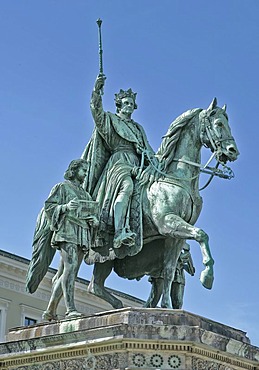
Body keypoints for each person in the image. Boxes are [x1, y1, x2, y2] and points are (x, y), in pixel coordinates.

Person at [82, 75, 159, 259]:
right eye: (126, 102)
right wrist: (97, 91)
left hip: (138, 165)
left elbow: (148, 149)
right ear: (118, 104)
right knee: (127, 187)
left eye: (132, 103)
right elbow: (96, 112)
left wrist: (156, 162)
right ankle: (119, 232)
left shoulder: (139, 128)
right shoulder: (110, 120)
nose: (129, 106)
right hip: (119, 164)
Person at [26, 159, 99, 320]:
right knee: (70, 267)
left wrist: (93, 220)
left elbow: (88, 212)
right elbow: (49, 207)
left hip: (82, 232)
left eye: (87, 172)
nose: (85, 174)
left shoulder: (85, 194)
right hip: (67, 231)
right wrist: (65, 207)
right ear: (74, 170)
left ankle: (50, 310)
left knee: (67, 271)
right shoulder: (62, 187)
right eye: (83, 171)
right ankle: (70, 308)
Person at [170, 243, 195, 309]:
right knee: (172, 298)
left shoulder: (183, 255)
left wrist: (188, 255)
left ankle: (176, 315)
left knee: (177, 301)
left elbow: (191, 271)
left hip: (179, 279)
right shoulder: (171, 252)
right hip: (171, 277)